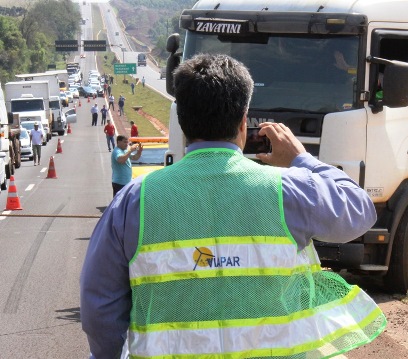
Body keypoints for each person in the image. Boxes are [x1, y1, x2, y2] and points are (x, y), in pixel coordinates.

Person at [80, 54, 384, 359]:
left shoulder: (134, 200)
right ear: (243, 121)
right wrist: (300, 159)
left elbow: (100, 307)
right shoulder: (289, 189)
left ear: (182, 122)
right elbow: (359, 211)